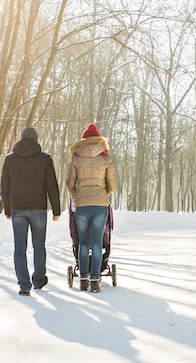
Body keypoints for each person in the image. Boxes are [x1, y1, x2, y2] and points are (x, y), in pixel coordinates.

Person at [1, 127, 61, 296]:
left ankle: (24, 285)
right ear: (36, 140)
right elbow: (51, 185)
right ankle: (39, 280)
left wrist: (7, 208)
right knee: (39, 246)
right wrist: (56, 210)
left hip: (17, 208)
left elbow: (5, 186)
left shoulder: (10, 159)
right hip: (38, 208)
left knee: (19, 248)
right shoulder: (44, 159)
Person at [67, 123, 116, 293]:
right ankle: (95, 280)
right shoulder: (105, 159)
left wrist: (77, 195)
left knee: (83, 243)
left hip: (82, 205)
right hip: (100, 204)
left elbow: (70, 183)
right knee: (97, 243)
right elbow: (112, 186)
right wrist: (103, 192)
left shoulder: (76, 159)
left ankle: (83, 278)